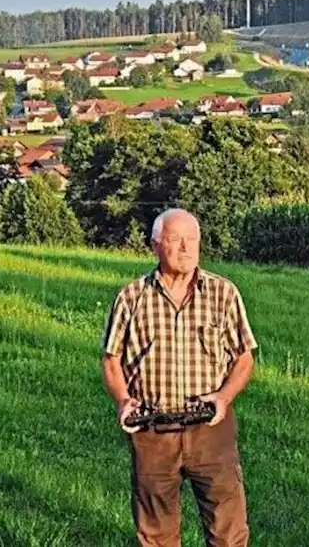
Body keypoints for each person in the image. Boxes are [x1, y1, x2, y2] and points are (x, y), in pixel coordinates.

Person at [100, 209, 259, 547]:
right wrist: (123, 400)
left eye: (192, 240)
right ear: (156, 245)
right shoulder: (132, 297)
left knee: (228, 530)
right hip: (153, 428)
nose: (186, 248)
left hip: (210, 426)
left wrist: (224, 397)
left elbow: (244, 358)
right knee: (156, 533)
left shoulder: (223, 293)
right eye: (175, 240)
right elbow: (111, 360)